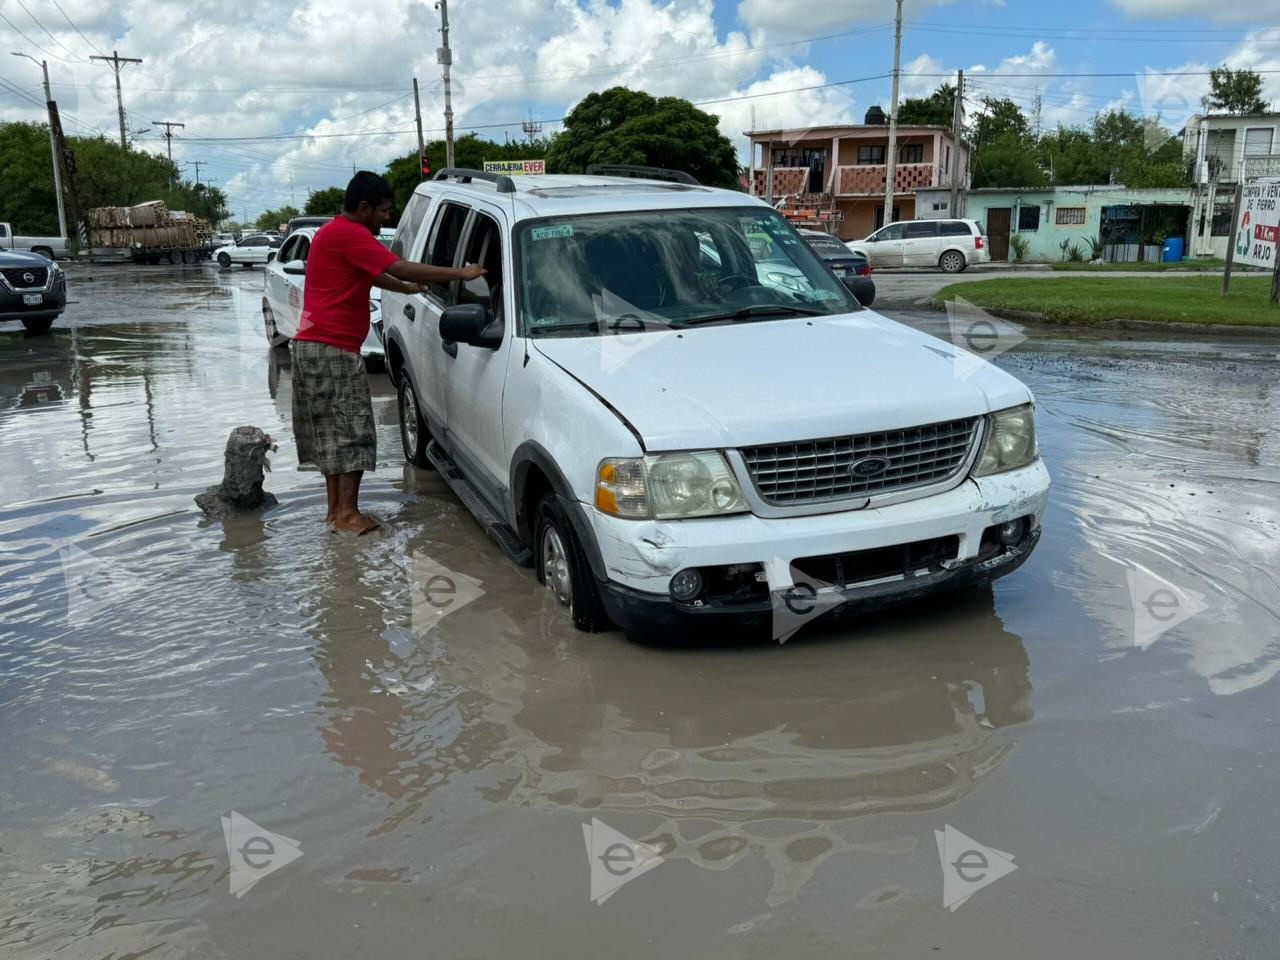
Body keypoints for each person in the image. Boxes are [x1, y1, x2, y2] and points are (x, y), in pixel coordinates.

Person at [292, 171, 483, 535]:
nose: (385, 219)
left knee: (333, 433)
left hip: (312, 345)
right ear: (363, 208)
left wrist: (406, 288)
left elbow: (375, 274)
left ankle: (336, 513)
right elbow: (395, 264)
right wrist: (460, 273)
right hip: (332, 349)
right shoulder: (351, 234)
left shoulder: (332, 233)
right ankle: (349, 515)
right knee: (353, 431)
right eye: (382, 211)